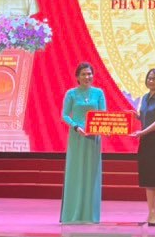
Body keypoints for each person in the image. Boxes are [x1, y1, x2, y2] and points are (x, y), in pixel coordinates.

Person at [60, 62, 105, 224]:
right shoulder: (71, 94)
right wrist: (76, 126)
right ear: (78, 77)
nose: (87, 77)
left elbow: (103, 114)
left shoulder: (99, 93)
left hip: (93, 137)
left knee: (92, 174)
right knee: (76, 172)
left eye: (89, 74)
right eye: (84, 74)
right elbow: (65, 115)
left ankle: (90, 215)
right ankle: (73, 214)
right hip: (77, 136)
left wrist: (101, 129)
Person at [130, 67, 155, 227]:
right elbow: (147, 117)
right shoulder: (145, 98)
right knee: (148, 178)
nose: (150, 81)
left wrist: (142, 132)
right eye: (149, 78)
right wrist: (137, 116)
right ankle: (151, 211)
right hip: (146, 140)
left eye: (154, 78)